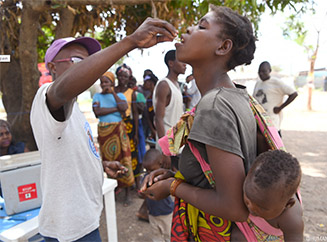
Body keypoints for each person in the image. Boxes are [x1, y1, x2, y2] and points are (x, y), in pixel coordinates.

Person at [30, 17, 178, 242]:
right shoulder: (47, 96)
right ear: (52, 67)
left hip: (83, 222)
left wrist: (99, 166)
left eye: (88, 60)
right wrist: (130, 42)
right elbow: (60, 90)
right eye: (77, 60)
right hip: (70, 231)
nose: (89, 66)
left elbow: (68, 155)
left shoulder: (75, 109)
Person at [141, 5, 258, 241]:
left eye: (201, 26)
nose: (188, 29)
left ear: (223, 46)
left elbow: (233, 207)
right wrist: (181, 175)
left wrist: (172, 187)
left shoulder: (214, 105)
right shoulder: (236, 94)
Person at [232, 149, 303, 242]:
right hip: (249, 232)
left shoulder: (291, 219)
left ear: (288, 204)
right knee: (237, 236)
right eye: (248, 199)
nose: (251, 208)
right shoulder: (253, 184)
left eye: (262, 208)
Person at [92, 71, 135, 206]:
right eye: (102, 82)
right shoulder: (97, 96)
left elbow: (124, 107)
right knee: (109, 160)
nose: (104, 85)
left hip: (118, 131)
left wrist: (113, 94)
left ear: (112, 83)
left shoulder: (119, 95)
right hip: (105, 132)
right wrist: (115, 109)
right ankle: (114, 189)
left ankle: (127, 192)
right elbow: (97, 112)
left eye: (107, 82)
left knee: (124, 158)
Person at [152, 49, 186, 169]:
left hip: (177, 145)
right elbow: (158, 119)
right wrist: (165, 150)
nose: (185, 64)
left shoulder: (176, 85)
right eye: (181, 61)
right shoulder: (164, 85)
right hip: (168, 148)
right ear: (171, 63)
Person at [253, 61, 298, 137]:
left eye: (263, 71)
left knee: (274, 145)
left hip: (272, 122)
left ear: (269, 71)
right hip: (259, 121)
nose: (261, 74)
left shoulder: (276, 82)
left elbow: (294, 94)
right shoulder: (258, 83)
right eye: (259, 72)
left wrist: (280, 108)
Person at [138, 149, 174, 242]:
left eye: (152, 170)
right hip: (152, 213)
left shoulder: (164, 177)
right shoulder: (146, 178)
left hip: (166, 213)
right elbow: (142, 195)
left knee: (168, 234)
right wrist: (142, 193)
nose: (150, 173)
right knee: (156, 234)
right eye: (147, 170)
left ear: (160, 164)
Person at [143, 73, 158, 143]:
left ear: (151, 83)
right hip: (153, 129)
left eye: (145, 82)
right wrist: (152, 130)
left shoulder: (159, 95)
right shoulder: (149, 97)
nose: (144, 84)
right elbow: (148, 116)